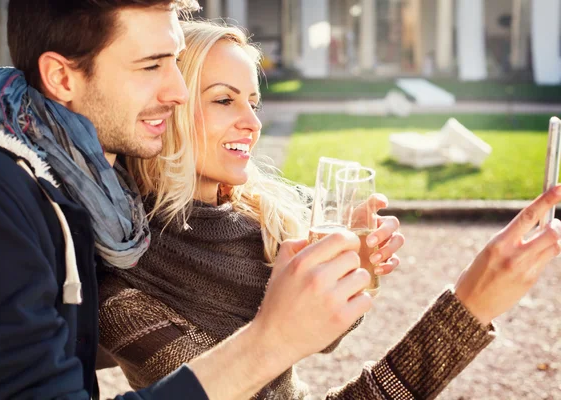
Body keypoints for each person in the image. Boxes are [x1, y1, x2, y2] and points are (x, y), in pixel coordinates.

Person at [97, 20, 561, 400]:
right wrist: (470, 305)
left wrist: (352, 276)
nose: (253, 122)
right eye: (224, 99)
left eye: (254, 102)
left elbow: (321, 338)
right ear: (168, 108)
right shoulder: (127, 287)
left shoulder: (263, 220)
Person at [0, 2, 393, 399]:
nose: (179, 92)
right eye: (151, 66)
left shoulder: (94, 199)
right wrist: (270, 339)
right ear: (61, 77)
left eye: (174, 62)